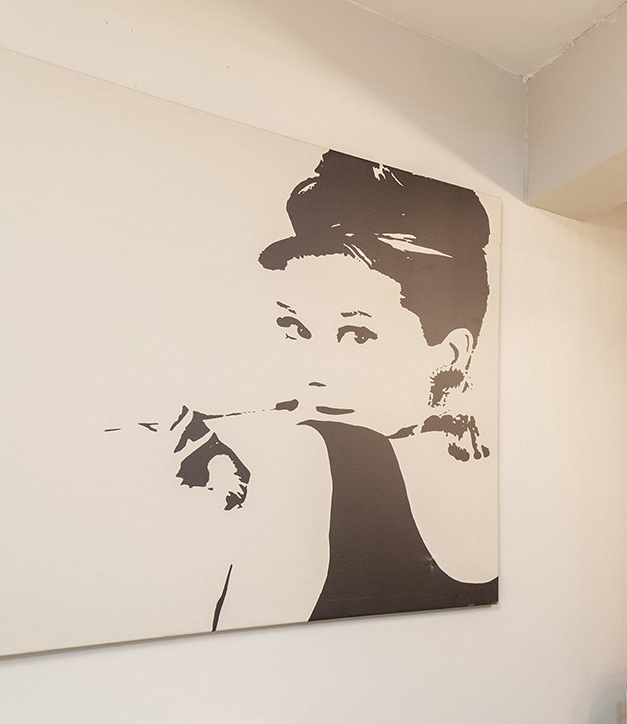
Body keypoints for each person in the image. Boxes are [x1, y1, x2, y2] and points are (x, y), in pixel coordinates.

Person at [163, 150, 498, 627]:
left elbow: (240, 663)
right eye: (294, 327)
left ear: (450, 355)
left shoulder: (303, 452)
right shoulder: (483, 468)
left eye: (357, 335)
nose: (312, 369)